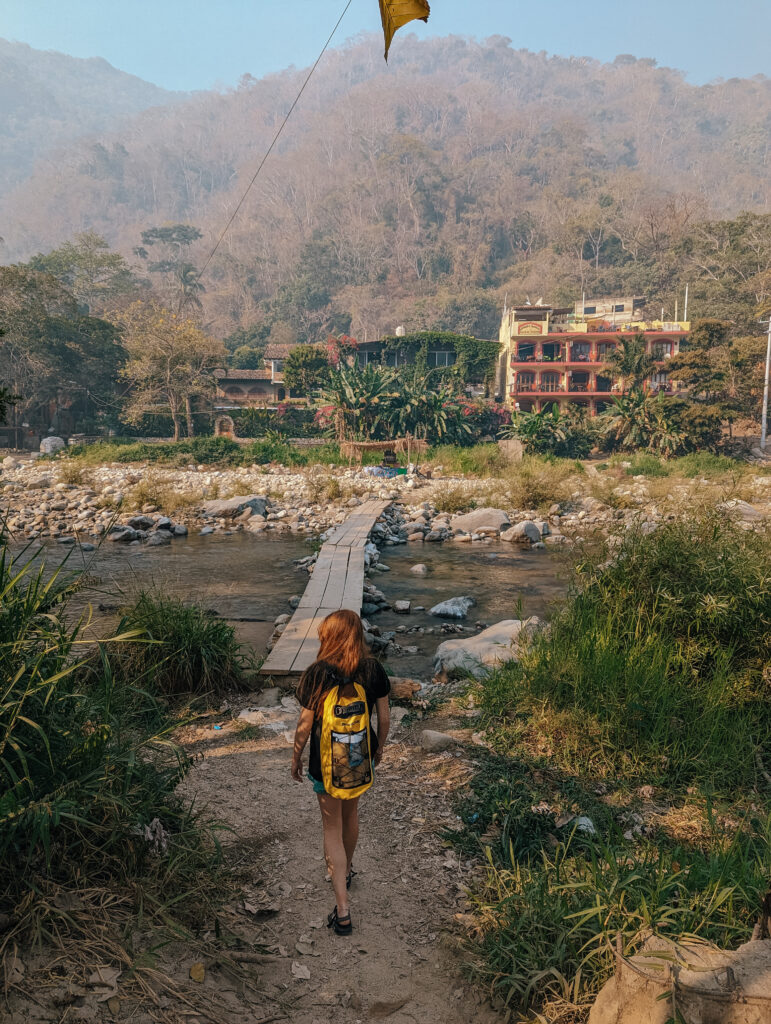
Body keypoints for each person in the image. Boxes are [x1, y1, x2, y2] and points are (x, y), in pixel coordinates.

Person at [291, 609, 390, 936]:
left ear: (328, 638)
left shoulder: (317, 673)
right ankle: (345, 872)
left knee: (330, 827)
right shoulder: (373, 669)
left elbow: (304, 727)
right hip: (359, 759)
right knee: (351, 816)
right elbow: (385, 719)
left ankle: (343, 909)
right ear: (358, 636)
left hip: (326, 764)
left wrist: (296, 758)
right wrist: (377, 751)